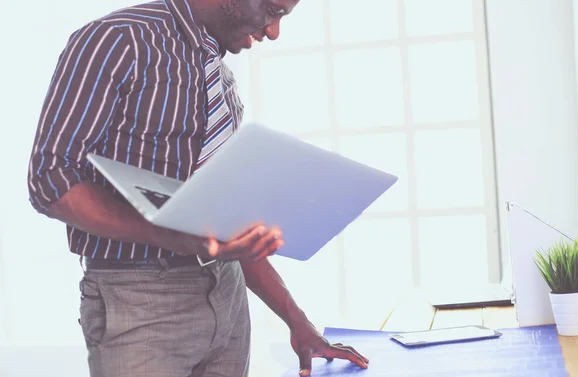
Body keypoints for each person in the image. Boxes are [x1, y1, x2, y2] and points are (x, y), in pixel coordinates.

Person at [26, 0, 369, 376]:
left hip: (228, 296)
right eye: (274, 10)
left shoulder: (218, 76)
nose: (274, 31)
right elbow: (50, 179)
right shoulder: (120, 40)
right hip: (139, 297)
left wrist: (297, 322)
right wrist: (171, 235)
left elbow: (225, 224)